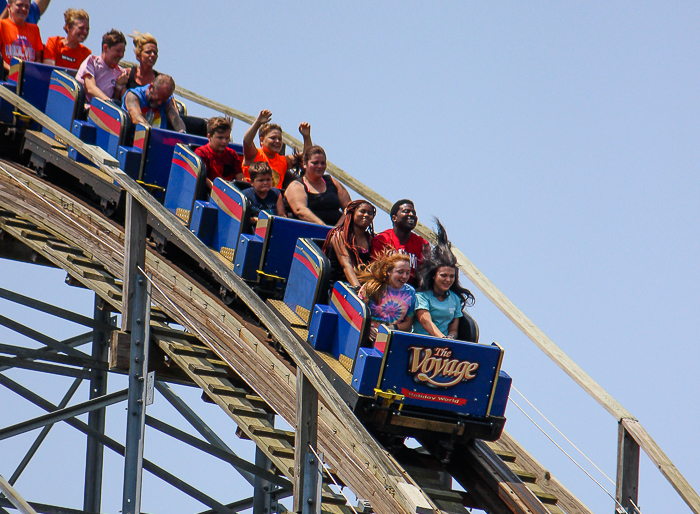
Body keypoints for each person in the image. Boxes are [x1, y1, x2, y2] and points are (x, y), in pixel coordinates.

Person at [413, 220, 475, 339]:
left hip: (443, 350)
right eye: (443, 275)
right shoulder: (421, 296)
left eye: (451, 276)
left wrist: (450, 337)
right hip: (419, 344)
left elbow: (453, 328)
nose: (448, 280)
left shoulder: (455, 300)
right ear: (433, 275)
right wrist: (442, 338)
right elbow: (425, 321)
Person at [357, 252, 416, 351]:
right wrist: (367, 328)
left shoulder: (410, 292)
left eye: (407, 272)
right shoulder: (372, 287)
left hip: (391, 339)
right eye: (400, 272)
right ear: (389, 272)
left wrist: (391, 328)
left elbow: (408, 324)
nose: (404, 276)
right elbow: (357, 311)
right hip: (366, 336)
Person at [242, 109, 312, 188]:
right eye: (273, 138)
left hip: (274, 198)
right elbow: (247, 141)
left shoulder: (283, 161)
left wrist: (306, 136)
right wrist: (258, 123)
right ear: (261, 140)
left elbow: (307, 157)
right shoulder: (255, 155)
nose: (277, 141)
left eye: (280, 139)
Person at [285, 146, 351, 226]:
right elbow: (300, 210)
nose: (319, 166)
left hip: (338, 232)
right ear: (305, 164)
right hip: (310, 233)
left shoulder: (332, 181)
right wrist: (324, 228)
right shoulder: (296, 186)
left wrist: (338, 227)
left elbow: (349, 207)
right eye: (315, 163)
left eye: (322, 163)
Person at [370, 199, 428, 286]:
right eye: (406, 211)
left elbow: (423, 274)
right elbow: (376, 271)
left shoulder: (421, 243)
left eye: (413, 213)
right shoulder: (382, 239)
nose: (411, 215)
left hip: (411, 292)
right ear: (394, 218)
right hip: (385, 289)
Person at [322, 199, 375, 289]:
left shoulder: (370, 239)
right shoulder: (339, 235)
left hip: (363, 286)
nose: (366, 215)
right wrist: (358, 289)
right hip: (338, 287)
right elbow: (346, 265)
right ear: (352, 213)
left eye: (369, 213)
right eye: (362, 211)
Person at [76, 29, 128, 104]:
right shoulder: (92, 62)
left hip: (104, 111)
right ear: (105, 48)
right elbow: (90, 88)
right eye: (118, 51)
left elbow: (116, 100)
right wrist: (109, 104)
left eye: (123, 52)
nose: (121, 55)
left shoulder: (121, 72)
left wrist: (118, 86)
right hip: (86, 108)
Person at [195, 116, 243, 194]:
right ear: (209, 137)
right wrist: (218, 191)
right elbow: (203, 177)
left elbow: (240, 178)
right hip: (211, 193)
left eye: (227, 138)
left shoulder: (232, 154)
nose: (224, 141)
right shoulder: (201, 152)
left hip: (230, 194)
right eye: (220, 138)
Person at [0, 0, 42, 73]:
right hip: (6, 76)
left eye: (27, 7)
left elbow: (38, 58)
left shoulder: (34, 29)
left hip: (27, 77)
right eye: (19, 5)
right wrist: (14, 71)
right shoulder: (2, 25)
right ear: (9, 7)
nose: (23, 9)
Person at [242, 161, 286, 227]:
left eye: (268, 180)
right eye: (261, 180)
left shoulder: (276, 194)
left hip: (271, 228)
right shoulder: (245, 195)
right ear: (252, 182)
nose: (265, 183)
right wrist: (259, 220)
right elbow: (242, 219)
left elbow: (282, 216)